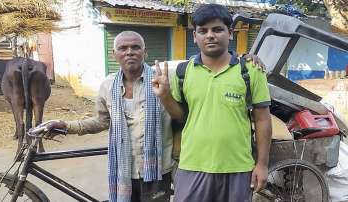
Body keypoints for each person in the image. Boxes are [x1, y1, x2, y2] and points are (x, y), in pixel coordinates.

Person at [152, 4, 272, 202]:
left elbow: (262, 120)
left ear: (230, 33)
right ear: (194, 37)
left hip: (238, 168)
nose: (210, 35)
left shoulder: (250, 71)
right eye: (203, 31)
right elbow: (182, 116)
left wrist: (262, 164)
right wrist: (165, 96)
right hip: (192, 166)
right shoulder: (184, 72)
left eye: (217, 29)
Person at [46, 31, 173, 202]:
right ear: (114, 55)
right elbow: (102, 121)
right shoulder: (108, 85)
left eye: (135, 47)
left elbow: (179, 116)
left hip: (157, 169)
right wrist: (66, 126)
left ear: (145, 52)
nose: (129, 52)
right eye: (123, 48)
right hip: (123, 170)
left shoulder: (164, 80)